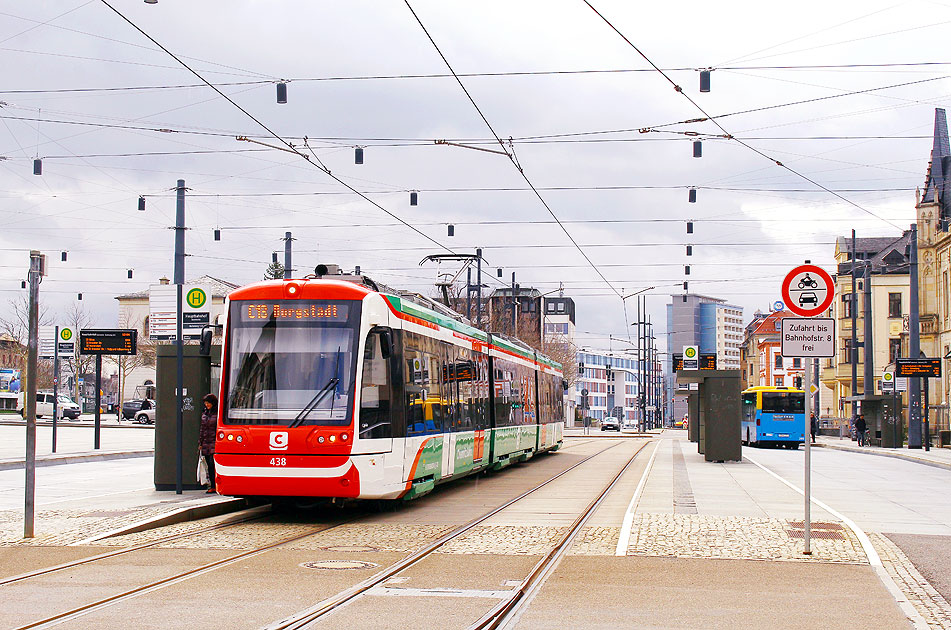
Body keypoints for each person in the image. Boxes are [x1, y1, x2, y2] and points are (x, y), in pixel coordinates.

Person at [199, 394, 218, 493]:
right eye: (205, 403)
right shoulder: (205, 413)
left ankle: (216, 484)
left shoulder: (217, 413)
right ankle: (212, 485)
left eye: (208, 403)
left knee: (212, 463)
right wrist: (200, 442)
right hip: (206, 442)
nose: (207, 405)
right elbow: (202, 429)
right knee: (209, 465)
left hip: (214, 442)